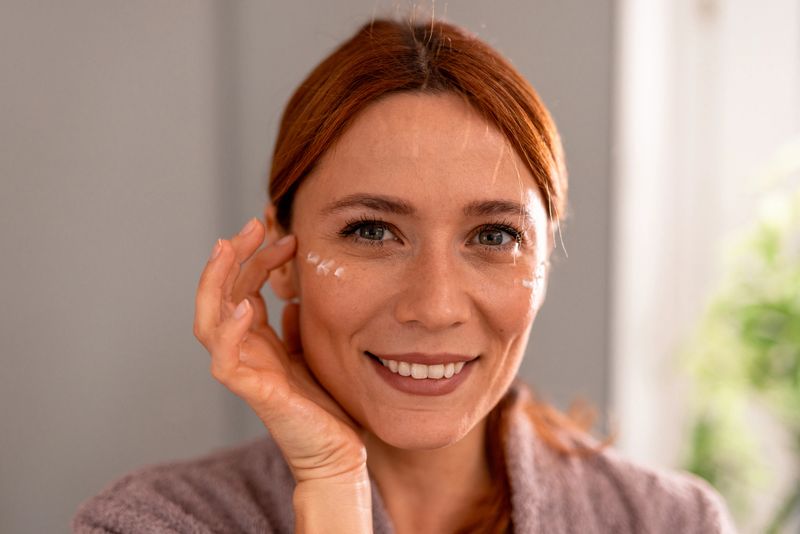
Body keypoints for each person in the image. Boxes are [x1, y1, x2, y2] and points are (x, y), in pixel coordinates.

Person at [73, 17, 735, 533]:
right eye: (372, 231)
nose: (436, 305)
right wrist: (331, 484)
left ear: (544, 257)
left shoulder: (671, 523)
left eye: (495, 236)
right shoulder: (152, 522)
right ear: (282, 257)